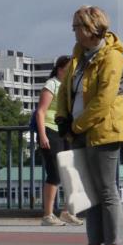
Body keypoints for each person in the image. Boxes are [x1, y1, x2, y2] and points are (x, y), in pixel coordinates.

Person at [56, 6, 123, 245]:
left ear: (90, 28)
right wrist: (62, 118)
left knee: (106, 190)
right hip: (79, 131)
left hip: (104, 131)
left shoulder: (113, 57)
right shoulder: (79, 55)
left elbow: (104, 100)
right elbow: (65, 89)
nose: (74, 31)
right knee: (88, 192)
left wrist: (76, 126)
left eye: (76, 27)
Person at [36, 55, 82, 227]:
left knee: (72, 173)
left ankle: (67, 212)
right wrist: (42, 135)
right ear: (60, 69)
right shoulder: (52, 84)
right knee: (55, 173)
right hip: (50, 130)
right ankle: (48, 215)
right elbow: (41, 111)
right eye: (69, 69)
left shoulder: (69, 87)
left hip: (65, 131)